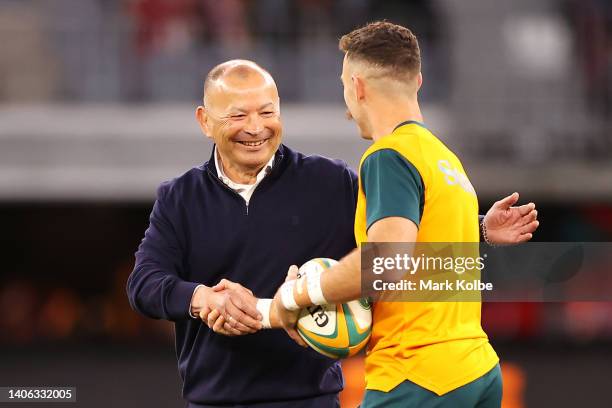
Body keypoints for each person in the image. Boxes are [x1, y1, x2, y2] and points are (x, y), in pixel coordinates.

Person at [127, 59, 538, 407]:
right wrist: (200, 298)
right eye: (237, 115)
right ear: (205, 120)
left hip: (313, 399)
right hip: (214, 400)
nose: (256, 127)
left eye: (267, 112)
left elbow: (395, 251)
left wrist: (478, 229)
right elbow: (144, 284)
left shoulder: (333, 182)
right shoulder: (178, 197)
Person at [270, 22, 539, 408]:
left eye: (345, 84)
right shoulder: (445, 159)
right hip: (476, 370)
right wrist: (476, 230)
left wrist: (299, 295)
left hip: (418, 375)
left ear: (358, 87)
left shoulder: (387, 156)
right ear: (419, 81)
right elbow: (425, 256)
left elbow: (385, 262)